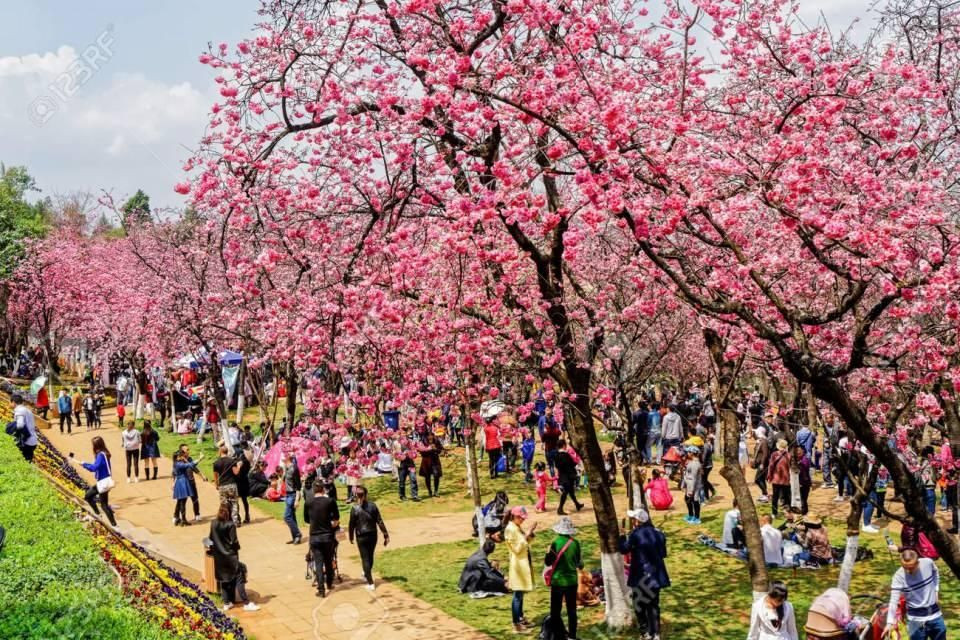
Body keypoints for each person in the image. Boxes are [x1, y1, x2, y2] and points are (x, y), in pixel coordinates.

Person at [619, 508, 669, 640]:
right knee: (653, 604)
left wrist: (622, 536)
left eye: (634, 519)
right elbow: (663, 554)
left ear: (638, 521)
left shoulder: (636, 534)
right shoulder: (659, 534)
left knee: (639, 604)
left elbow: (624, 549)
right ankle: (656, 633)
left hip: (641, 574)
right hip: (656, 575)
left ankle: (645, 632)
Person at [209, 504, 260, 612]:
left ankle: (227, 603)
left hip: (219, 558)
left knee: (224, 579)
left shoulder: (213, 523)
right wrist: (237, 548)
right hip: (231, 556)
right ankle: (246, 603)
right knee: (239, 577)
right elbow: (234, 542)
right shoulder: (230, 525)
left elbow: (210, 538)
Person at [885, 549, 945, 640]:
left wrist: (936, 590)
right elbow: (893, 601)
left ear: (918, 562)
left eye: (911, 567)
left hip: (935, 616)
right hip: (915, 621)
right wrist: (889, 623)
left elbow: (935, 573)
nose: (908, 571)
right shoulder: (898, 577)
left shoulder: (928, 563)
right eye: (905, 567)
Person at [545, 516, 582, 640]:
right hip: (572, 581)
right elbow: (579, 563)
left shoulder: (555, 543)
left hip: (558, 581)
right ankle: (572, 636)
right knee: (572, 610)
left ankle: (558, 635)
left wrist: (547, 552)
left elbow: (548, 562)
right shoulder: (575, 543)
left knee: (555, 611)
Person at [348, 485, 390, 591]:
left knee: (365, 558)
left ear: (356, 495)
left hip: (361, 536)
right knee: (370, 556)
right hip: (372, 535)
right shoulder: (373, 506)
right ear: (366, 494)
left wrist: (351, 536)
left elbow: (351, 524)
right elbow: (379, 521)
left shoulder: (354, 508)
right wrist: (385, 535)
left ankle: (370, 582)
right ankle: (366, 572)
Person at [504, 506, 536, 632]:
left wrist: (530, 535)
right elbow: (517, 549)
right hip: (518, 565)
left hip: (523, 563)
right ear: (515, 517)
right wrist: (526, 535)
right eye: (521, 518)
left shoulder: (516, 527)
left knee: (521, 593)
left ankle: (521, 618)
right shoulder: (510, 529)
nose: (523, 520)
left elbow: (524, 544)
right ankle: (516, 623)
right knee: (517, 595)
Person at [306, 484, 340, 597]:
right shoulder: (330, 501)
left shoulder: (308, 502)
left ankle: (321, 590)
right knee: (328, 560)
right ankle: (329, 583)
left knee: (319, 563)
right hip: (327, 536)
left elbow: (307, 520)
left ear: (313, 490)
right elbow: (336, 520)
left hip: (315, 536)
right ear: (323, 489)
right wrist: (331, 525)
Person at [78, 436, 118, 528]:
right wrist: (85, 463)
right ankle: (98, 514)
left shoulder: (100, 455)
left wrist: (84, 465)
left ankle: (114, 525)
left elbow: (94, 468)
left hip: (103, 483)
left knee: (104, 505)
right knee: (89, 496)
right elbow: (95, 465)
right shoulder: (104, 454)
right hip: (102, 482)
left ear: (96, 446)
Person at [213, 446, 243, 528]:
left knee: (224, 504)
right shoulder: (231, 461)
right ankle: (235, 522)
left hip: (222, 485)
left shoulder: (216, 462)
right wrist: (239, 466)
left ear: (220, 451)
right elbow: (236, 472)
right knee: (234, 503)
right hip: (231, 485)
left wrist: (216, 484)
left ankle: (224, 521)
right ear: (227, 452)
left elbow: (215, 476)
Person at [172, 447, 201, 526]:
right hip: (183, 483)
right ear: (178, 457)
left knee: (181, 501)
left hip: (180, 482)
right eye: (181, 456)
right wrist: (199, 459)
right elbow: (190, 465)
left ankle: (179, 518)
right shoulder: (179, 464)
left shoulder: (176, 463)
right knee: (182, 502)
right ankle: (183, 519)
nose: (182, 457)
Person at [555, 439, 583, 515]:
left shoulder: (556, 455)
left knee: (571, 491)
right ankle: (560, 509)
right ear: (564, 445)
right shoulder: (565, 455)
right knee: (566, 492)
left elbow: (557, 466)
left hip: (562, 475)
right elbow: (572, 464)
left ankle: (577, 504)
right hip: (568, 476)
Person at [10, 394, 39, 462]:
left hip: (26, 442)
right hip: (33, 440)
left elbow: (20, 425)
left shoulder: (19, 411)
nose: (9, 404)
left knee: (25, 461)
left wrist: (11, 429)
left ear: (13, 402)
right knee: (29, 460)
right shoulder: (27, 410)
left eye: (10, 402)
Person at [281, 452, 302, 542]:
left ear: (288, 457)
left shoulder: (294, 468)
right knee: (292, 516)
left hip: (293, 494)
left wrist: (297, 500)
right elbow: (283, 480)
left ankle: (297, 534)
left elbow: (298, 486)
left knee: (287, 517)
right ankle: (295, 537)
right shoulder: (286, 467)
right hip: (288, 494)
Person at [768, 439, 791, 518]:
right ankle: (788, 512)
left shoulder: (774, 454)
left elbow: (771, 466)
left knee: (775, 496)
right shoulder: (789, 455)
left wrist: (769, 476)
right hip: (786, 479)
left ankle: (774, 513)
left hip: (776, 479)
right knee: (787, 497)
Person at [681, 447, 703, 524]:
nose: (687, 454)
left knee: (695, 501)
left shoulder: (695, 464)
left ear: (692, 453)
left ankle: (697, 517)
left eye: (688, 452)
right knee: (687, 499)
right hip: (689, 485)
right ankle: (691, 515)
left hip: (694, 486)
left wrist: (691, 490)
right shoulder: (691, 462)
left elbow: (693, 478)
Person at [753, 427, 771, 503]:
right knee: (761, 479)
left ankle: (765, 494)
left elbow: (765, 454)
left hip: (763, 464)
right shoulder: (760, 441)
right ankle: (764, 495)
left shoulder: (764, 442)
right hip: (760, 464)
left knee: (757, 479)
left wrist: (762, 464)